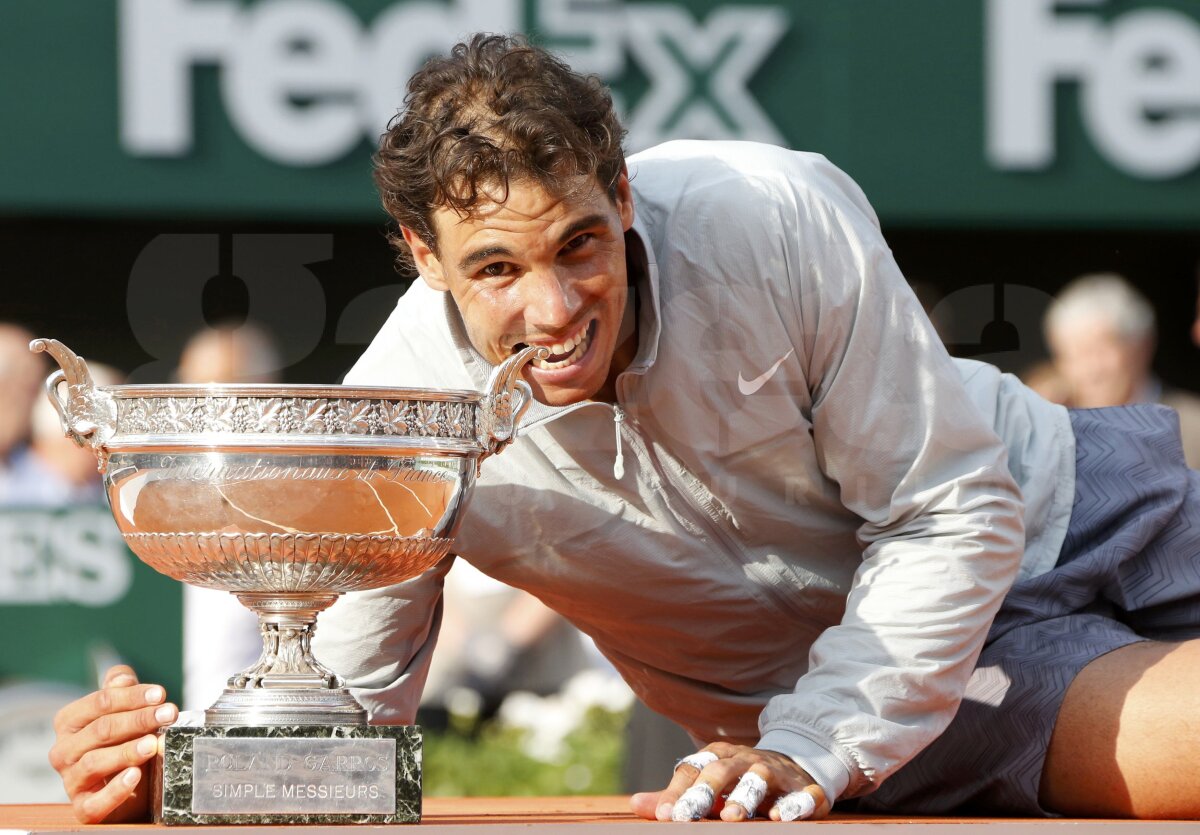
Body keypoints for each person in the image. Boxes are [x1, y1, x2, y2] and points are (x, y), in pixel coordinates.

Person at [49, 35, 1200, 824]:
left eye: (580, 246)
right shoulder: (406, 410)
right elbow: (342, 702)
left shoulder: (773, 211)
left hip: (1071, 487)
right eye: (496, 268)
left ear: (625, 195)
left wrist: (811, 741)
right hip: (900, 698)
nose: (553, 312)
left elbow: (950, 504)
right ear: (420, 253)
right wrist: (193, 777)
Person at [1043, 273, 1200, 467]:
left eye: (1100, 350)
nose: (1091, 369)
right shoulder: (1047, 437)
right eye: (1074, 354)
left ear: (1142, 345)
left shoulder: (1193, 428)